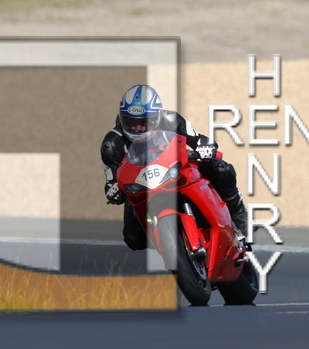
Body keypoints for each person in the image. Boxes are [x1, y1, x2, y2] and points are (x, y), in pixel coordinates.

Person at [100, 84, 249, 251]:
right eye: (131, 122)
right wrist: (113, 191)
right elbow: (111, 180)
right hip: (141, 185)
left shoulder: (171, 120)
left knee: (220, 168)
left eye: (144, 122)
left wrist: (205, 146)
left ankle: (238, 213)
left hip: (177, 167)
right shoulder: (111, 145)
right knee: (133, 238)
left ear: (156, 117)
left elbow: (198, 139)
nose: (137, 127)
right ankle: (169, 242)